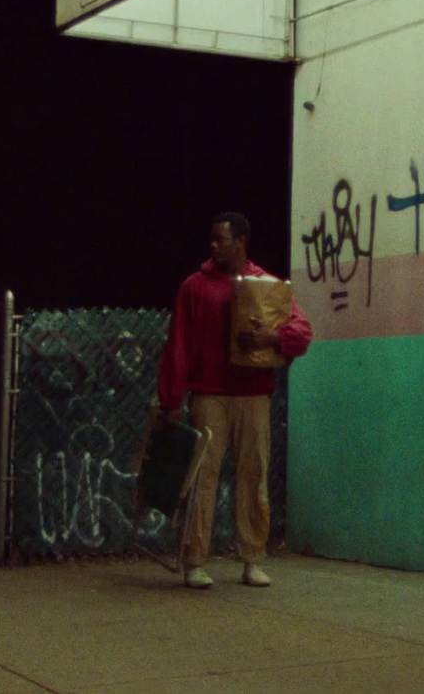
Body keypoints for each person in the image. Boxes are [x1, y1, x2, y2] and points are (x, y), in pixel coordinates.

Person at [158, 211, 312, 589]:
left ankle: (252, 560)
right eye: (211, 238)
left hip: (253, 396)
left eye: (220, 239)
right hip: (209, 394)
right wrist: (171, 400)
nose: (213, 245)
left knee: (253, 476)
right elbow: (177, 344)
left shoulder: (267, 287)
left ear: (240, 241)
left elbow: (303, 331)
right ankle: (194, 561)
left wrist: (271, 339)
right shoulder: (195, 287)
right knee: (201, 479)